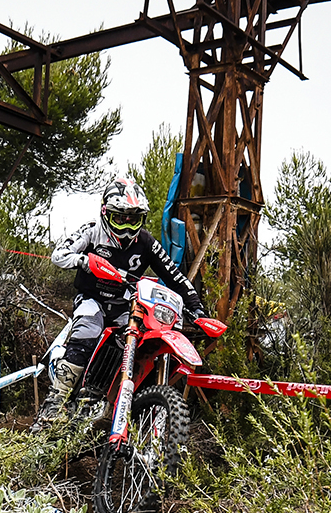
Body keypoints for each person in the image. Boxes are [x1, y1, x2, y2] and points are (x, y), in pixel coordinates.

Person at [34, 176, 207, 426]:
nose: (126, 227)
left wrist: (196, 307)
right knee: (89, 328)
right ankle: (55, 402)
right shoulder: (92, 230)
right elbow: (58, 255)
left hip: (124, 305)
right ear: (106, 213)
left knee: (139, 341)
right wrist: (84, 261)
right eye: (120, 218)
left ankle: (116, 402)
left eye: (133, 220)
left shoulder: (146, 242)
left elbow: (174, 275)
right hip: (92, 299)